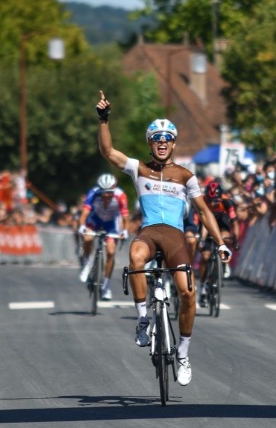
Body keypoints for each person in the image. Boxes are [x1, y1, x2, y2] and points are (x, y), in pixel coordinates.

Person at [95, 90, 232, 386]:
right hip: (148, 232)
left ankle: (183, 353)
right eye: (156, 138)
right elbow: (108, 152)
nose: (161, 142)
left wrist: (220, 242)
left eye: (167, 138)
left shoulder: (185, 175)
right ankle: (143, 319)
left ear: (173, 143)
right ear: (150, 143)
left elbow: (204, 212)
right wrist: (104, 120)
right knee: (134, 257)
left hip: (174, 237)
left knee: (187, 293)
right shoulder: (138, 168)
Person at [77, 173, 130, 301]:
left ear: (114, 190)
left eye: (109, 192)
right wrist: (82, 226)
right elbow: (84, 214)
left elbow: (125, 217)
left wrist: (125, 231)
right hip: (95, 220)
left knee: (111, 252)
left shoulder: (121, 196)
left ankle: (106, 286)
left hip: (111, 223)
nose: (106, 195)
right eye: (104, 192)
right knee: (87, 238)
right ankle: (87, 263)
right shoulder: (93, 193)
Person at [197, 181, 239, 307]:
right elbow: (204, 224)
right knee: (205, 257)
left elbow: (235, 223)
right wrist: (202, 240)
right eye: (211, 200)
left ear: (221, 197)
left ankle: (225, 262)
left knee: (226, 237)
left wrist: (235, 239)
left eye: (216, 200)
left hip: (222, 222)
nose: (213, 203)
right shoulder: (202, 201)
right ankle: (203, 286)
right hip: (206, 223)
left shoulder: (227, 202)